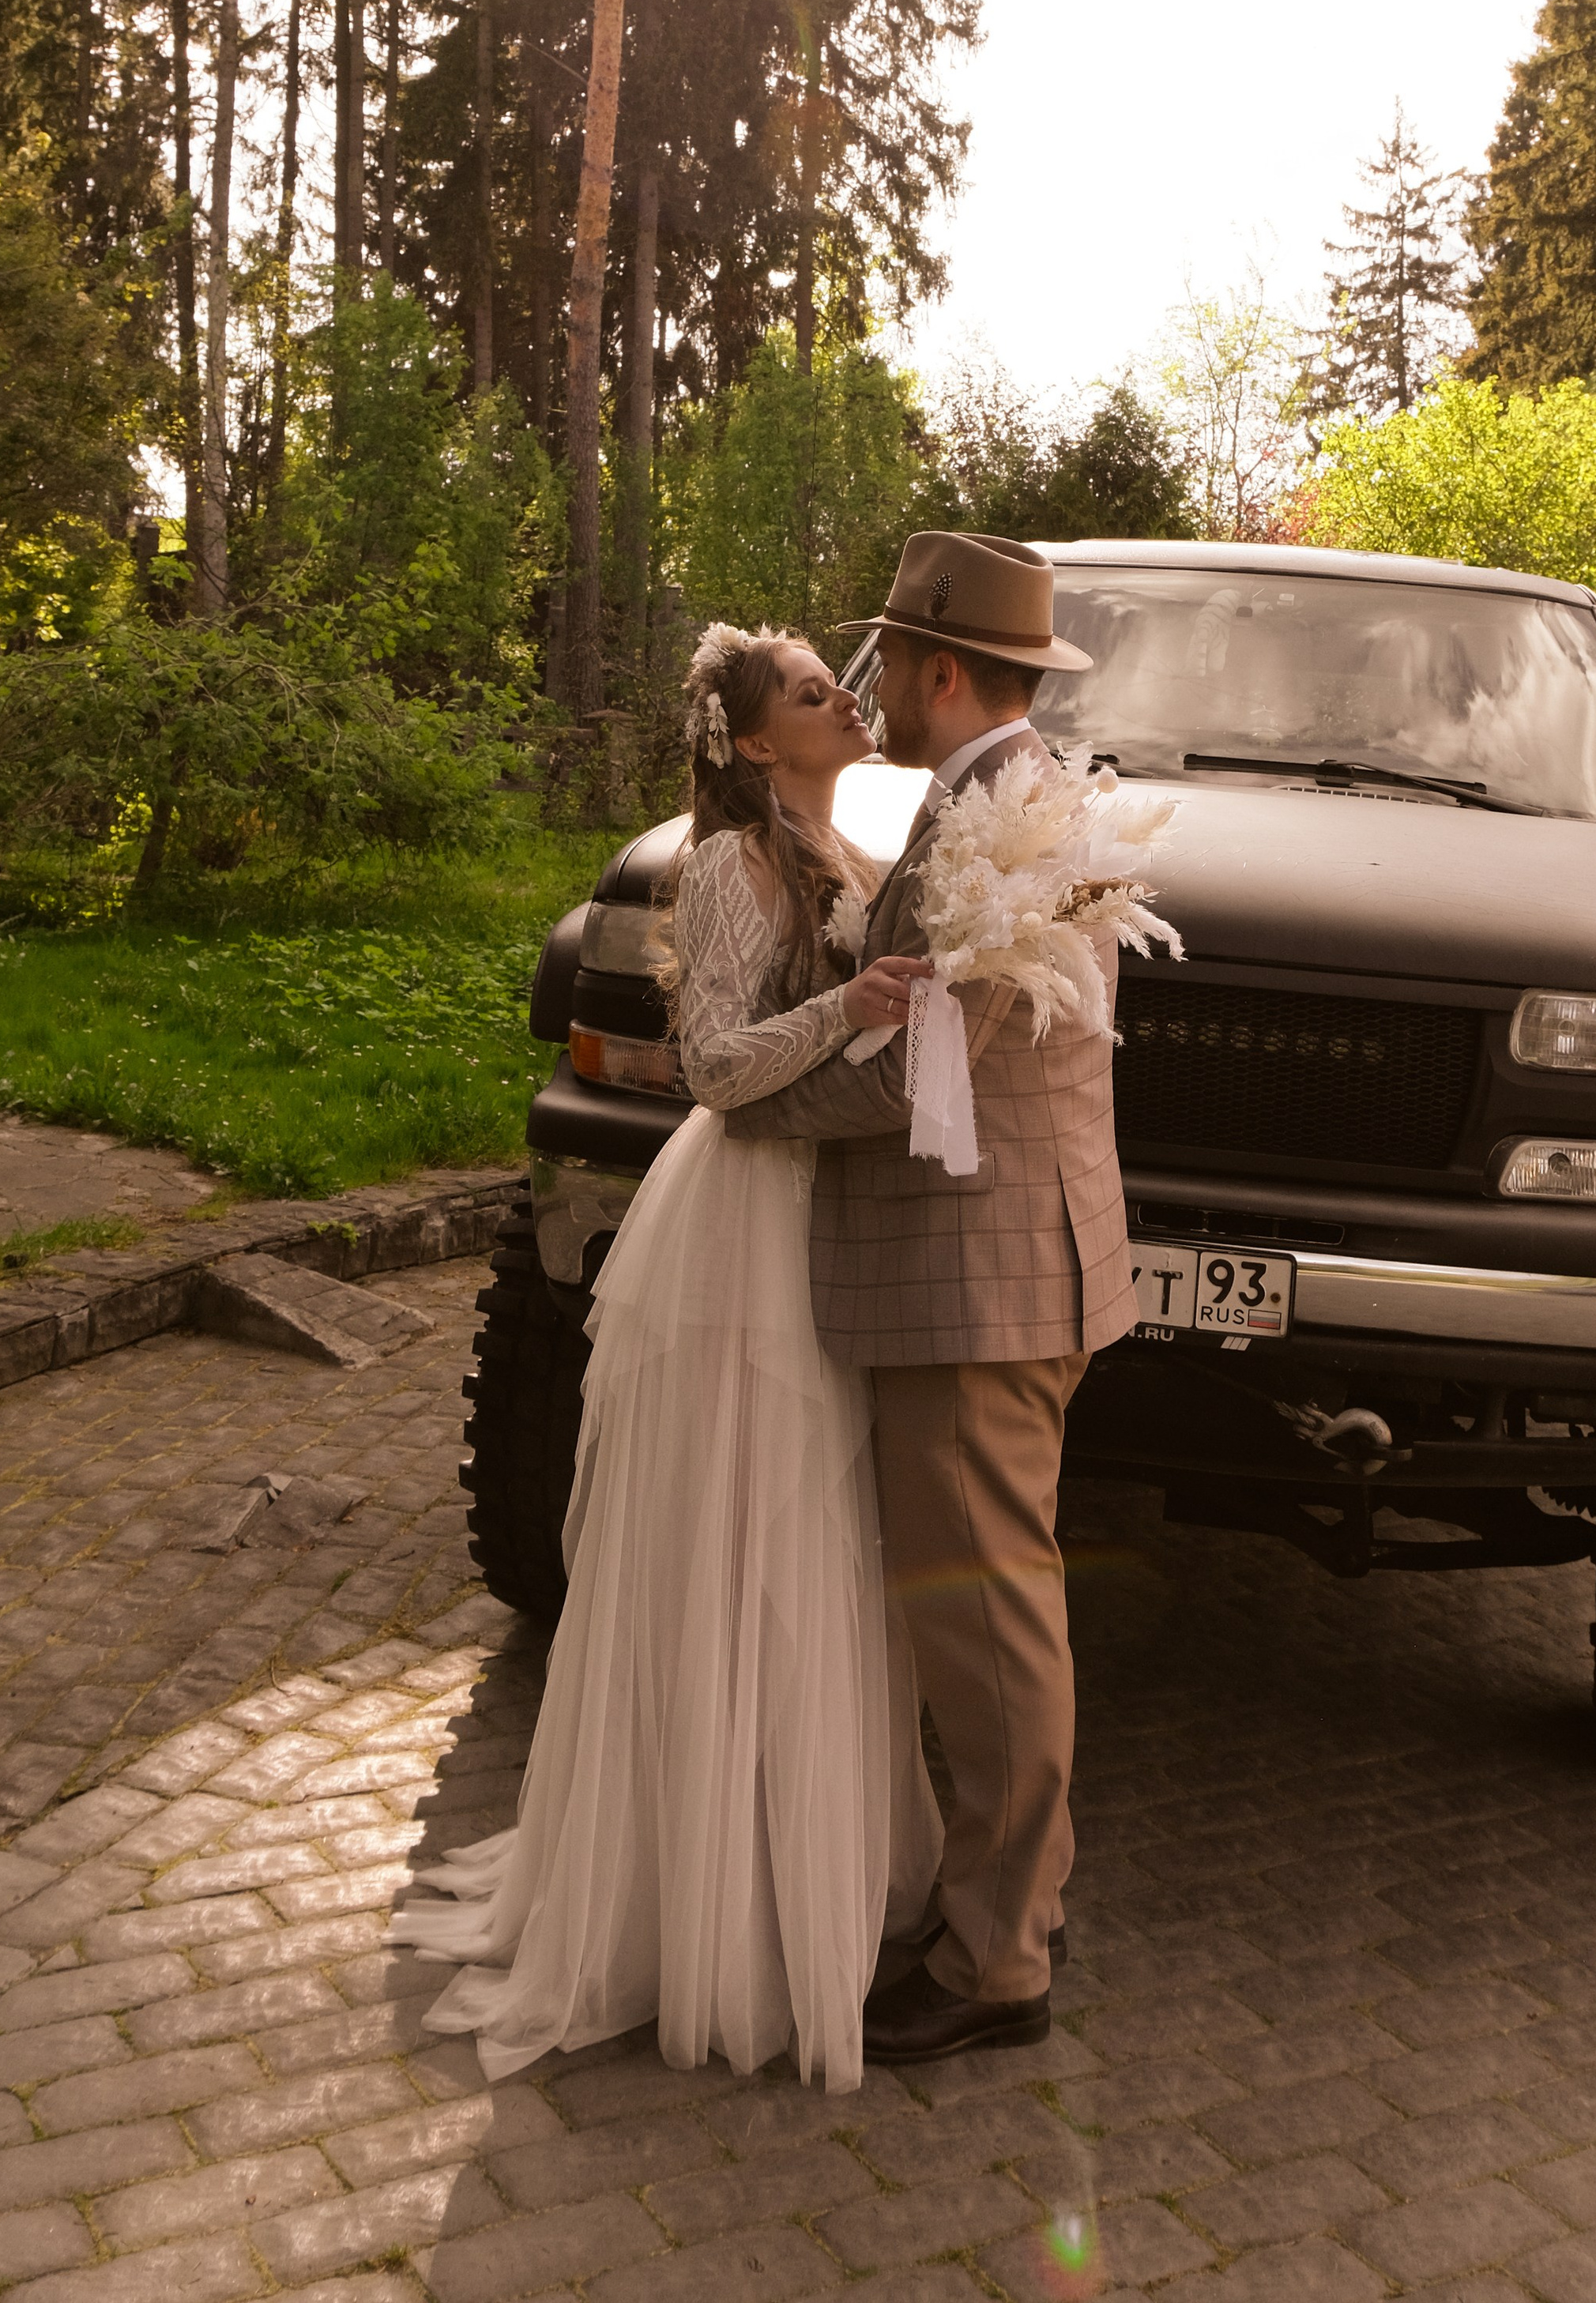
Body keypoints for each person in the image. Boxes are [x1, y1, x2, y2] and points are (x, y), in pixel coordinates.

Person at [390, 625, 943, 2094]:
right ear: (756, 742)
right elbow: (710, 1068)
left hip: (832, 1212)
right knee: (739, 1530)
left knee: (820, 1538)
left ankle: (787, 1864)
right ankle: (693, 1899)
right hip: (743, 1228)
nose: (844, 698)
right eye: (814, 691)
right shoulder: (722, 868)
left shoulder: (848, 851)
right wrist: (852, 1006)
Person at [726, 530, 1138, 2065]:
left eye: (890, 659)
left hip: (979, 1278)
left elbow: (917, 1071)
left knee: (985, 1623)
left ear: (941, 669)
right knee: (994, 1604)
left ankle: (994, 1960)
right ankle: (1014, 1898)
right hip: (1010, 1261)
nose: (873, 684)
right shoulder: (1006, 801)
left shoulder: (1006, 824)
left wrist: (740, 1100)